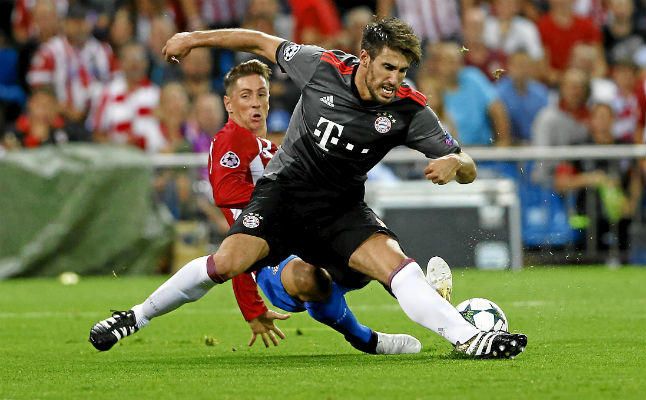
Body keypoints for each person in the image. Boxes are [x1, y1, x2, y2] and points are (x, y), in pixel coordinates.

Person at [98, 18, 527, 358]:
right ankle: (134, 317)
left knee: (396, 265)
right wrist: (194, 38)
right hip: (283, 195)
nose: (394, 79)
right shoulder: (322, 66)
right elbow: (258, 41)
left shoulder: (409, 111)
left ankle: (468, 338)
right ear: (364, 58)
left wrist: (455, 163)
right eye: (387, 67)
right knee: (226, 262)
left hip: (340, 209)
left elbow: (468, 165)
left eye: (402, 71)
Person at [89, 59, 427, 355]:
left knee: (365, 255)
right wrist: (251, 301)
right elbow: (227, 198)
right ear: (229, 103)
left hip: (303, 238)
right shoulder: (231, 140)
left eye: (261, 94)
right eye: (245, 95)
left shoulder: (273, 149)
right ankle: (366, 337)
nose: (255, 103)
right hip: (272, 258)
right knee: (308, 278)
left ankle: (423, 301)